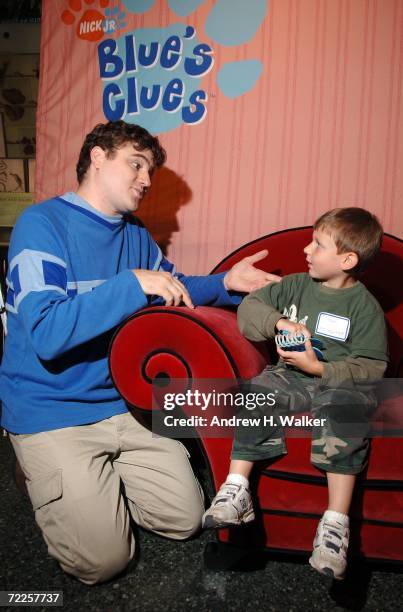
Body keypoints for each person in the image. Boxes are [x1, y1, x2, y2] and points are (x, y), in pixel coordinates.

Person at [0, 120, 280, 585]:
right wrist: (130, 284)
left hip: (120, 404)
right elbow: (48, 333)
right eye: (136, 164)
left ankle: (87, 488)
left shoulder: (135, 233)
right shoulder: (40, 224)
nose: (146, 180)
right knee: (102, 564)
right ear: (97, 157)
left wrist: (227, 282)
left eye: (148, 170)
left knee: (184, 521)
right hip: (51, 410)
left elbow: (173, 286)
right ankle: (38, 468)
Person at [202, 207, 388, 581]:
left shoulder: (365, 308)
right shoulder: (297, 286)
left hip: (338, 384)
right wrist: (279, 322)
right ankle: (236, 490)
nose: (306, 249)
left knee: (345, 414)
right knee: (257, 394)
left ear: (347, 259)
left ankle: (335, 525)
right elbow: (251, 309)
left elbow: (373, 367)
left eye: (318, 245)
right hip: (290, 378)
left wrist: (319, 368)